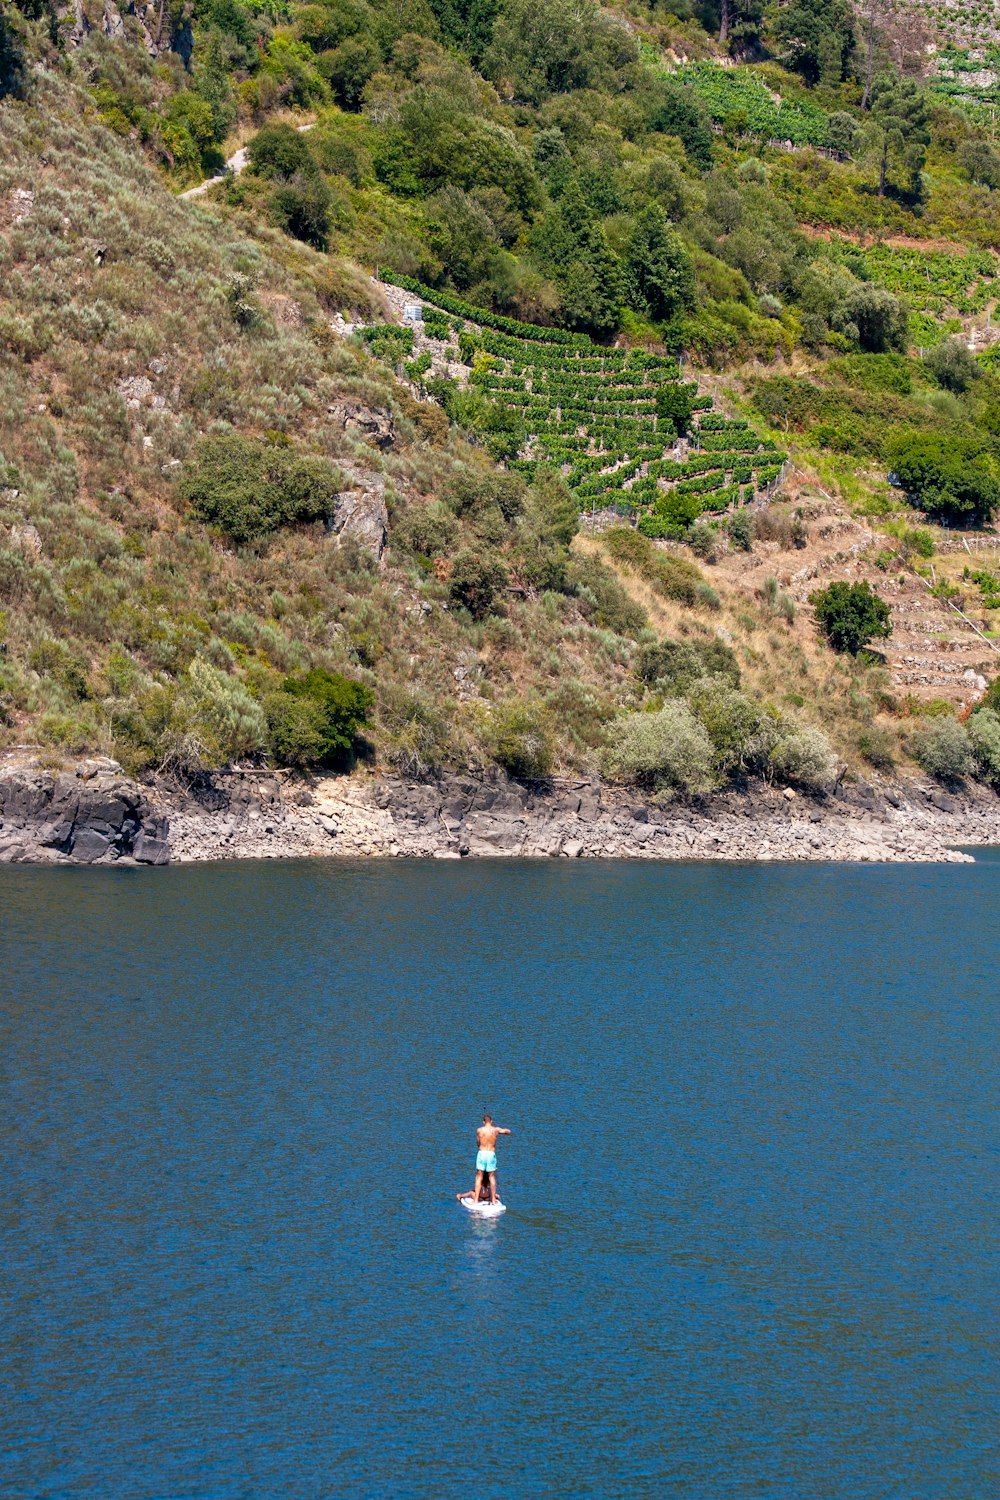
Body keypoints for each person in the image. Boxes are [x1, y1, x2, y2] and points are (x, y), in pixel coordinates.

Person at [473, 1111, 511, 1206]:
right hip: (491, 1154)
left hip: (481, 1153)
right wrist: (503, 1131)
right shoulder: (495, 1130)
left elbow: (478, 1143)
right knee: (491, 1177)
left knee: (479, 1177)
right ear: (492, 1121)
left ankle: (476, 1200)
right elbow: (508, 1131)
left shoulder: (479, 1130)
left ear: (483, 1122)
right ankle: (493, 1200)